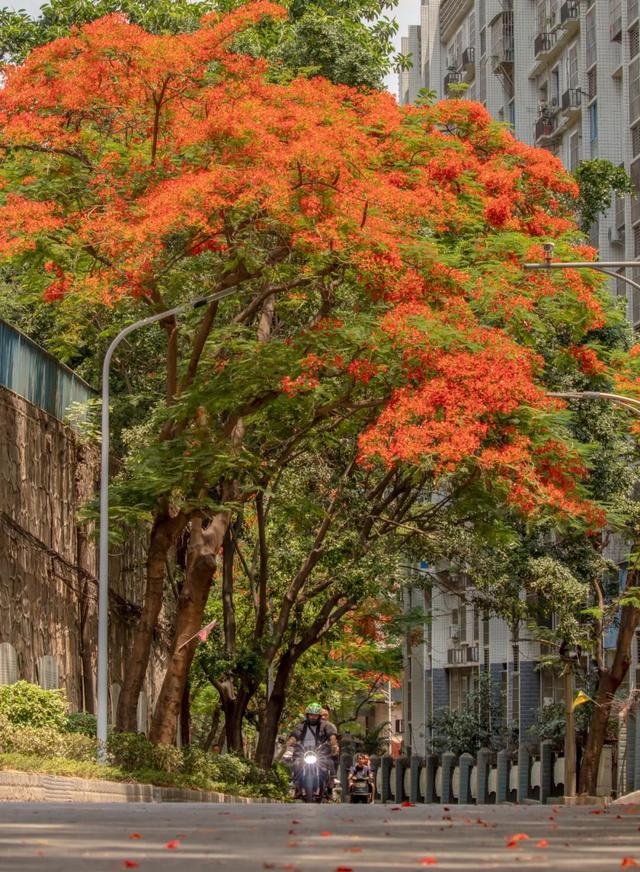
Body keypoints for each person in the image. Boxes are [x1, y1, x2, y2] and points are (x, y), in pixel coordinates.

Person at [284, 703, 339, 797]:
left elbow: (332, 735)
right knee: (296, 764)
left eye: (315, 715)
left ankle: (330, 785)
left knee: (328, 762)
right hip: (303, 751)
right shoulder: (301, 725)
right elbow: (295, 735)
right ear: (307, 715)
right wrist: (288, 744)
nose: (313, 717)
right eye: (311, 715)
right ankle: (297, 787)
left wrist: (333, 744)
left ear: (319, 716)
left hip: (320, 751)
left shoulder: (326, 725)